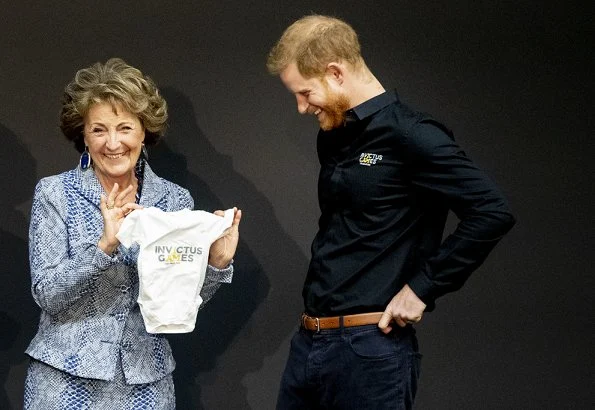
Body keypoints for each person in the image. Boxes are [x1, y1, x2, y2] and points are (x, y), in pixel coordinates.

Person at [267, 15, 515, 409]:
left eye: (305, 92)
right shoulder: (332, 136)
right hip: (309, 343)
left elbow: (491, 210)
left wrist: (423, 288)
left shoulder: (412, 134)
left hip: (369, 351)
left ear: (335, 73)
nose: (300, 107)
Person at [23, 58, 242, 409]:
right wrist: (105, 245)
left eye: (124, 128)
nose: (113, 143)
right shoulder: (55, 194)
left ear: (144, 131)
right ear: (83, 134)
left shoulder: (172, 199)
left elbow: (179, 298)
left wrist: (216, 263)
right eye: (98, 130)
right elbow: (47, 295)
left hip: (146, 382)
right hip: (63, 381)